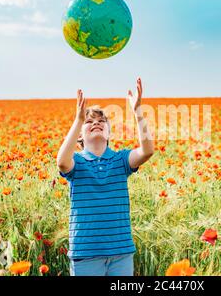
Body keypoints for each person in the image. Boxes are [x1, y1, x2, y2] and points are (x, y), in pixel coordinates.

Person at [56, 77, 154, 276]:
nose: (96, 123)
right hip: (86, 253)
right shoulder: (77, 162)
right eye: (90, 122)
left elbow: (147, 151)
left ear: (109, 134)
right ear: (80, 137)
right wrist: (78, 120)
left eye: (102, 122)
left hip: (121, 253)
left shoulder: (121, 160)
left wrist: (137, 112)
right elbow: (61, 162)